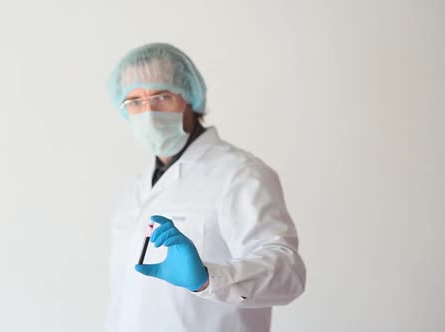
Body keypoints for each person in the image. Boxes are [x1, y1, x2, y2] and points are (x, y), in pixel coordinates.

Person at [105, 43, 306, 332]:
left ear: (189, 98)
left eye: (162, 96)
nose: (148, 112)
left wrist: (208, 278)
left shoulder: (240, 173)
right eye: (135, 101)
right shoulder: (135, 188)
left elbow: (289, 274)